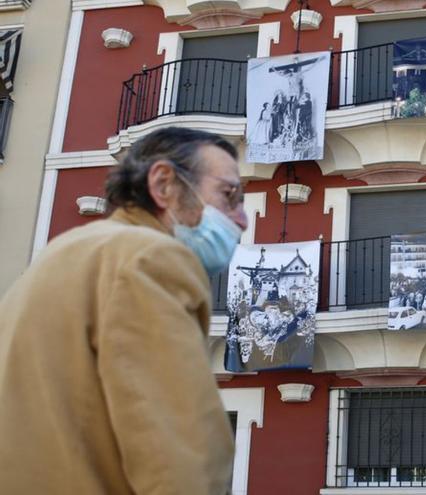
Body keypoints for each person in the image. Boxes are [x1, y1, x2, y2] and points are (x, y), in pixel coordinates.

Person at [0, 127, 249, 494]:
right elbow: (182, 455)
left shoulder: (62, 251)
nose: (242, 219)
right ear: (164, 184)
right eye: (229, 196)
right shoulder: (152, 256)